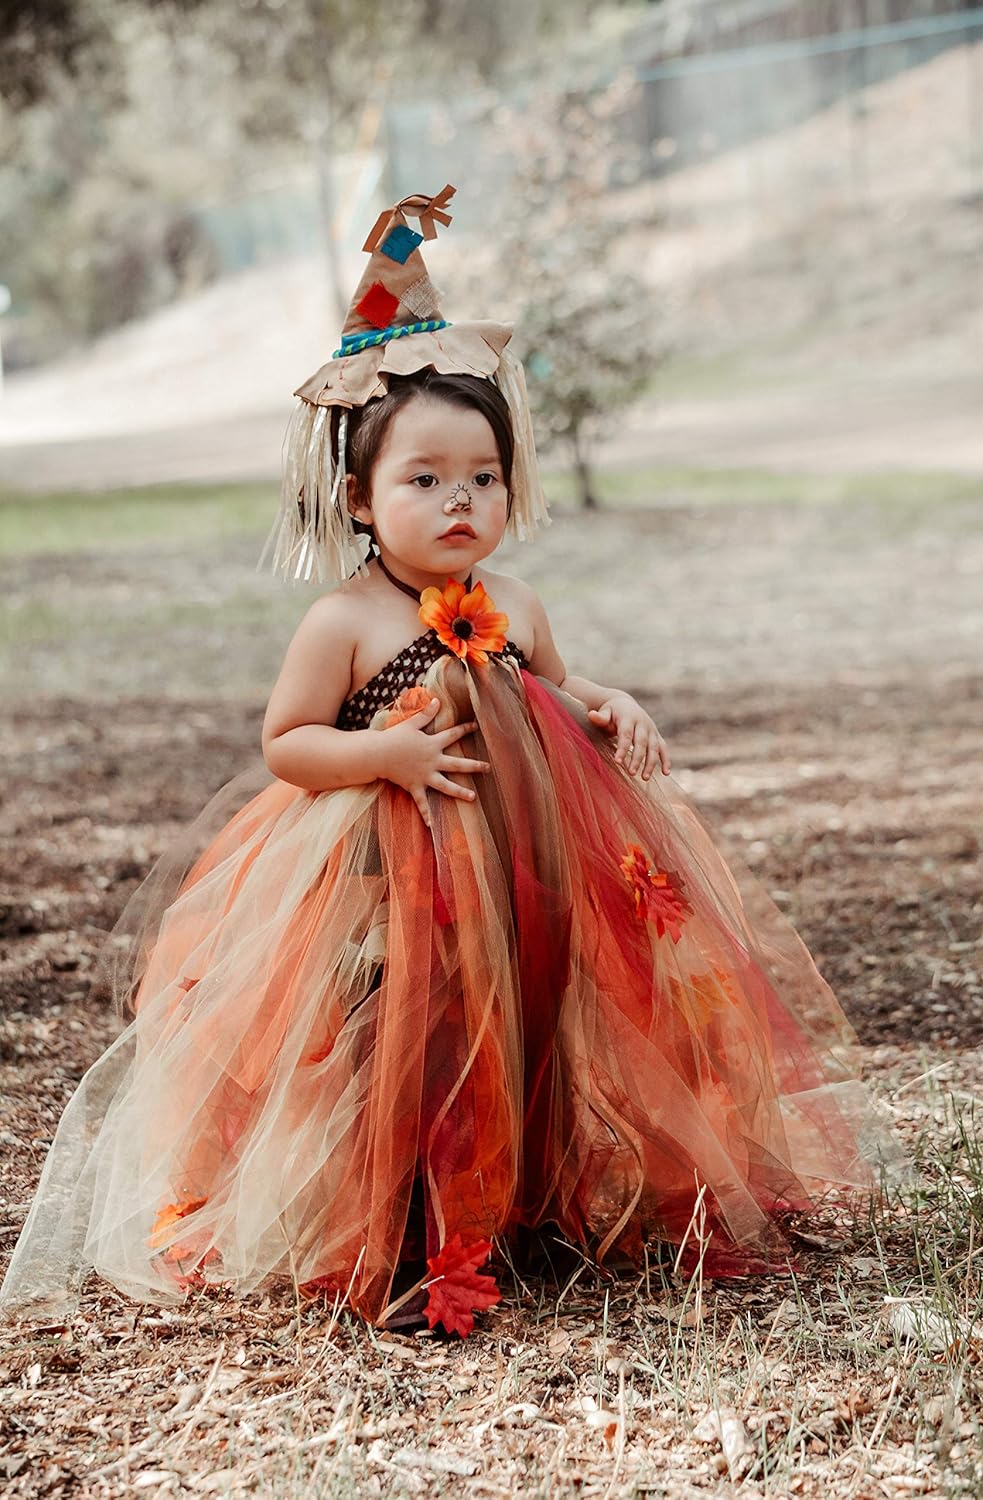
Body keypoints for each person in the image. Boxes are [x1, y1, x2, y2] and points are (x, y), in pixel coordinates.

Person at [0, 187, 899, 1339]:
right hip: (387, 873)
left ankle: (535, 1192)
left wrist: (609, 704)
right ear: (359, 501)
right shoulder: (348, 624)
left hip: (528, 856)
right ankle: (412, 1214)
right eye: (422, 480)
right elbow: (286, 744)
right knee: (404, 1032)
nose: (458, 501)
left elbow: (557, 691)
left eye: (480, 476)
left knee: (535, 1014)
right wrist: (380, 749)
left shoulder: (515, 601)